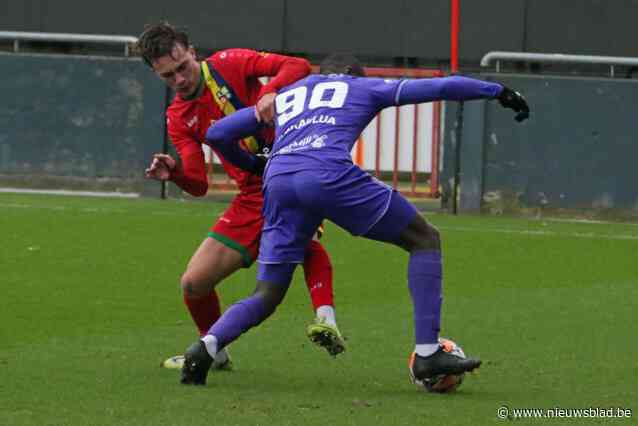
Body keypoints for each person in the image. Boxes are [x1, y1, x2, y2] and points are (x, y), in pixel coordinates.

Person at [179, 54, 530, 387]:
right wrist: (495, 91)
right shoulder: (360, 87)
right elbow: (439, 88)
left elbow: (217, 134)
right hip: (328, 173)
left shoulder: (287, 93)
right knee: (424, 239)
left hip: (279, 182)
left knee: (267, 293)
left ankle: (206, 347)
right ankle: (428, 354)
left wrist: (255, 164)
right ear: (352, 75)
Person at [136, 23, 346, 368]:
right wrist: (173, 173)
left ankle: (326, 317)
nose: (179, 80)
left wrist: (271, 91)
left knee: (299, 240)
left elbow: (296, 66)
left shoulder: (229, 63)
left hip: (291, 169)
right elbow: (199, 184)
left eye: (182, 68)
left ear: (192, 51)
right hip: (252, 193)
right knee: (194, 283)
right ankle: (215, 353)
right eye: (168, 77)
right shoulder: (178, 116)